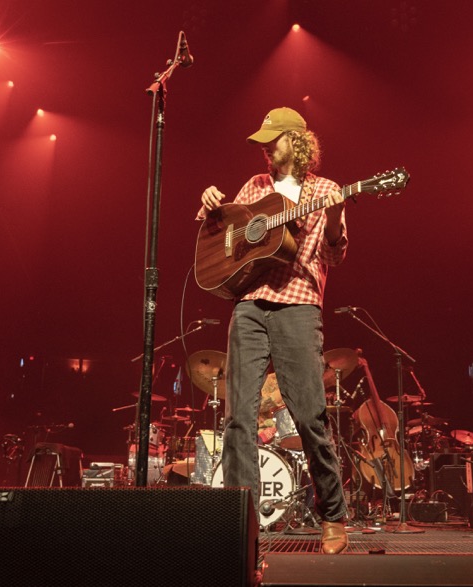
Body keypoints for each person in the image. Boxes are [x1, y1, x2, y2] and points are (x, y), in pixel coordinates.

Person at [196, 107, 349, 554]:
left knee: (309, 416)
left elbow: (333, 256)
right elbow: (226, 235)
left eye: (273, 139)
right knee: (237, 419)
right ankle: (240, 524)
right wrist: (210, 207)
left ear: (297, 142)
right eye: (262, 141)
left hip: (297, 306)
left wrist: (335, 218)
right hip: (249, 305)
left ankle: (333, 514)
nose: (265, 148)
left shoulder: (325, 190)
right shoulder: (255, 186)